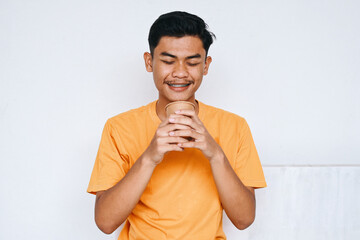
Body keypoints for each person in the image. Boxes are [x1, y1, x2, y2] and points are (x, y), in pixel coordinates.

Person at [87, 11, 266, 240]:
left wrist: (214, 153)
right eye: (168, 61)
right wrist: (149, 157)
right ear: (149, 62)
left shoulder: (235, 127)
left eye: (192, 62)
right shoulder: (119, 128)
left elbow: (244, 220)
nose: (180, 73)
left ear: (206, 65)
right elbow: (105, 222)